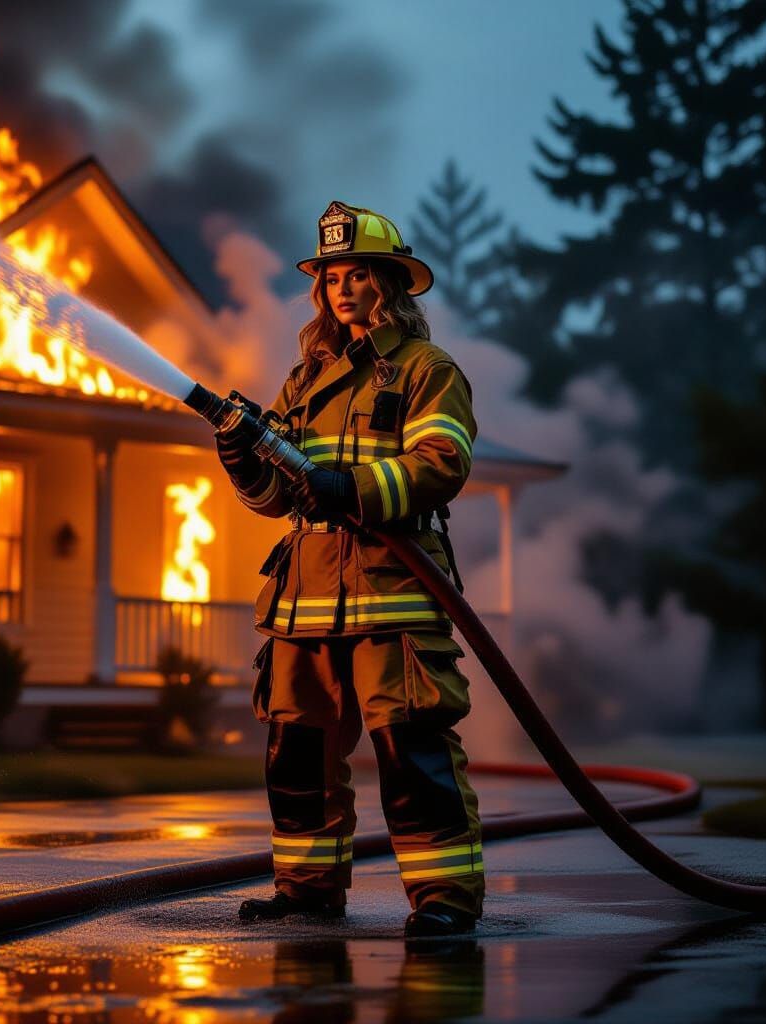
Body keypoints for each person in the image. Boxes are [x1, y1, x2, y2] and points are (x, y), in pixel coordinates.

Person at [214, 201, 483, 939]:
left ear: (389, 283)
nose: (342, 288)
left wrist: (354, 487)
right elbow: (273, 497)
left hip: (391, 592)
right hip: (302, 599)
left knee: (411, 750)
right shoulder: (306, 378)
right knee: (296, 754)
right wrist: (242, 459)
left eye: (358, 274)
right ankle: (306, 890)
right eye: (332, 277)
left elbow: (443, 463)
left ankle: (445, 898)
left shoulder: (427, 370)